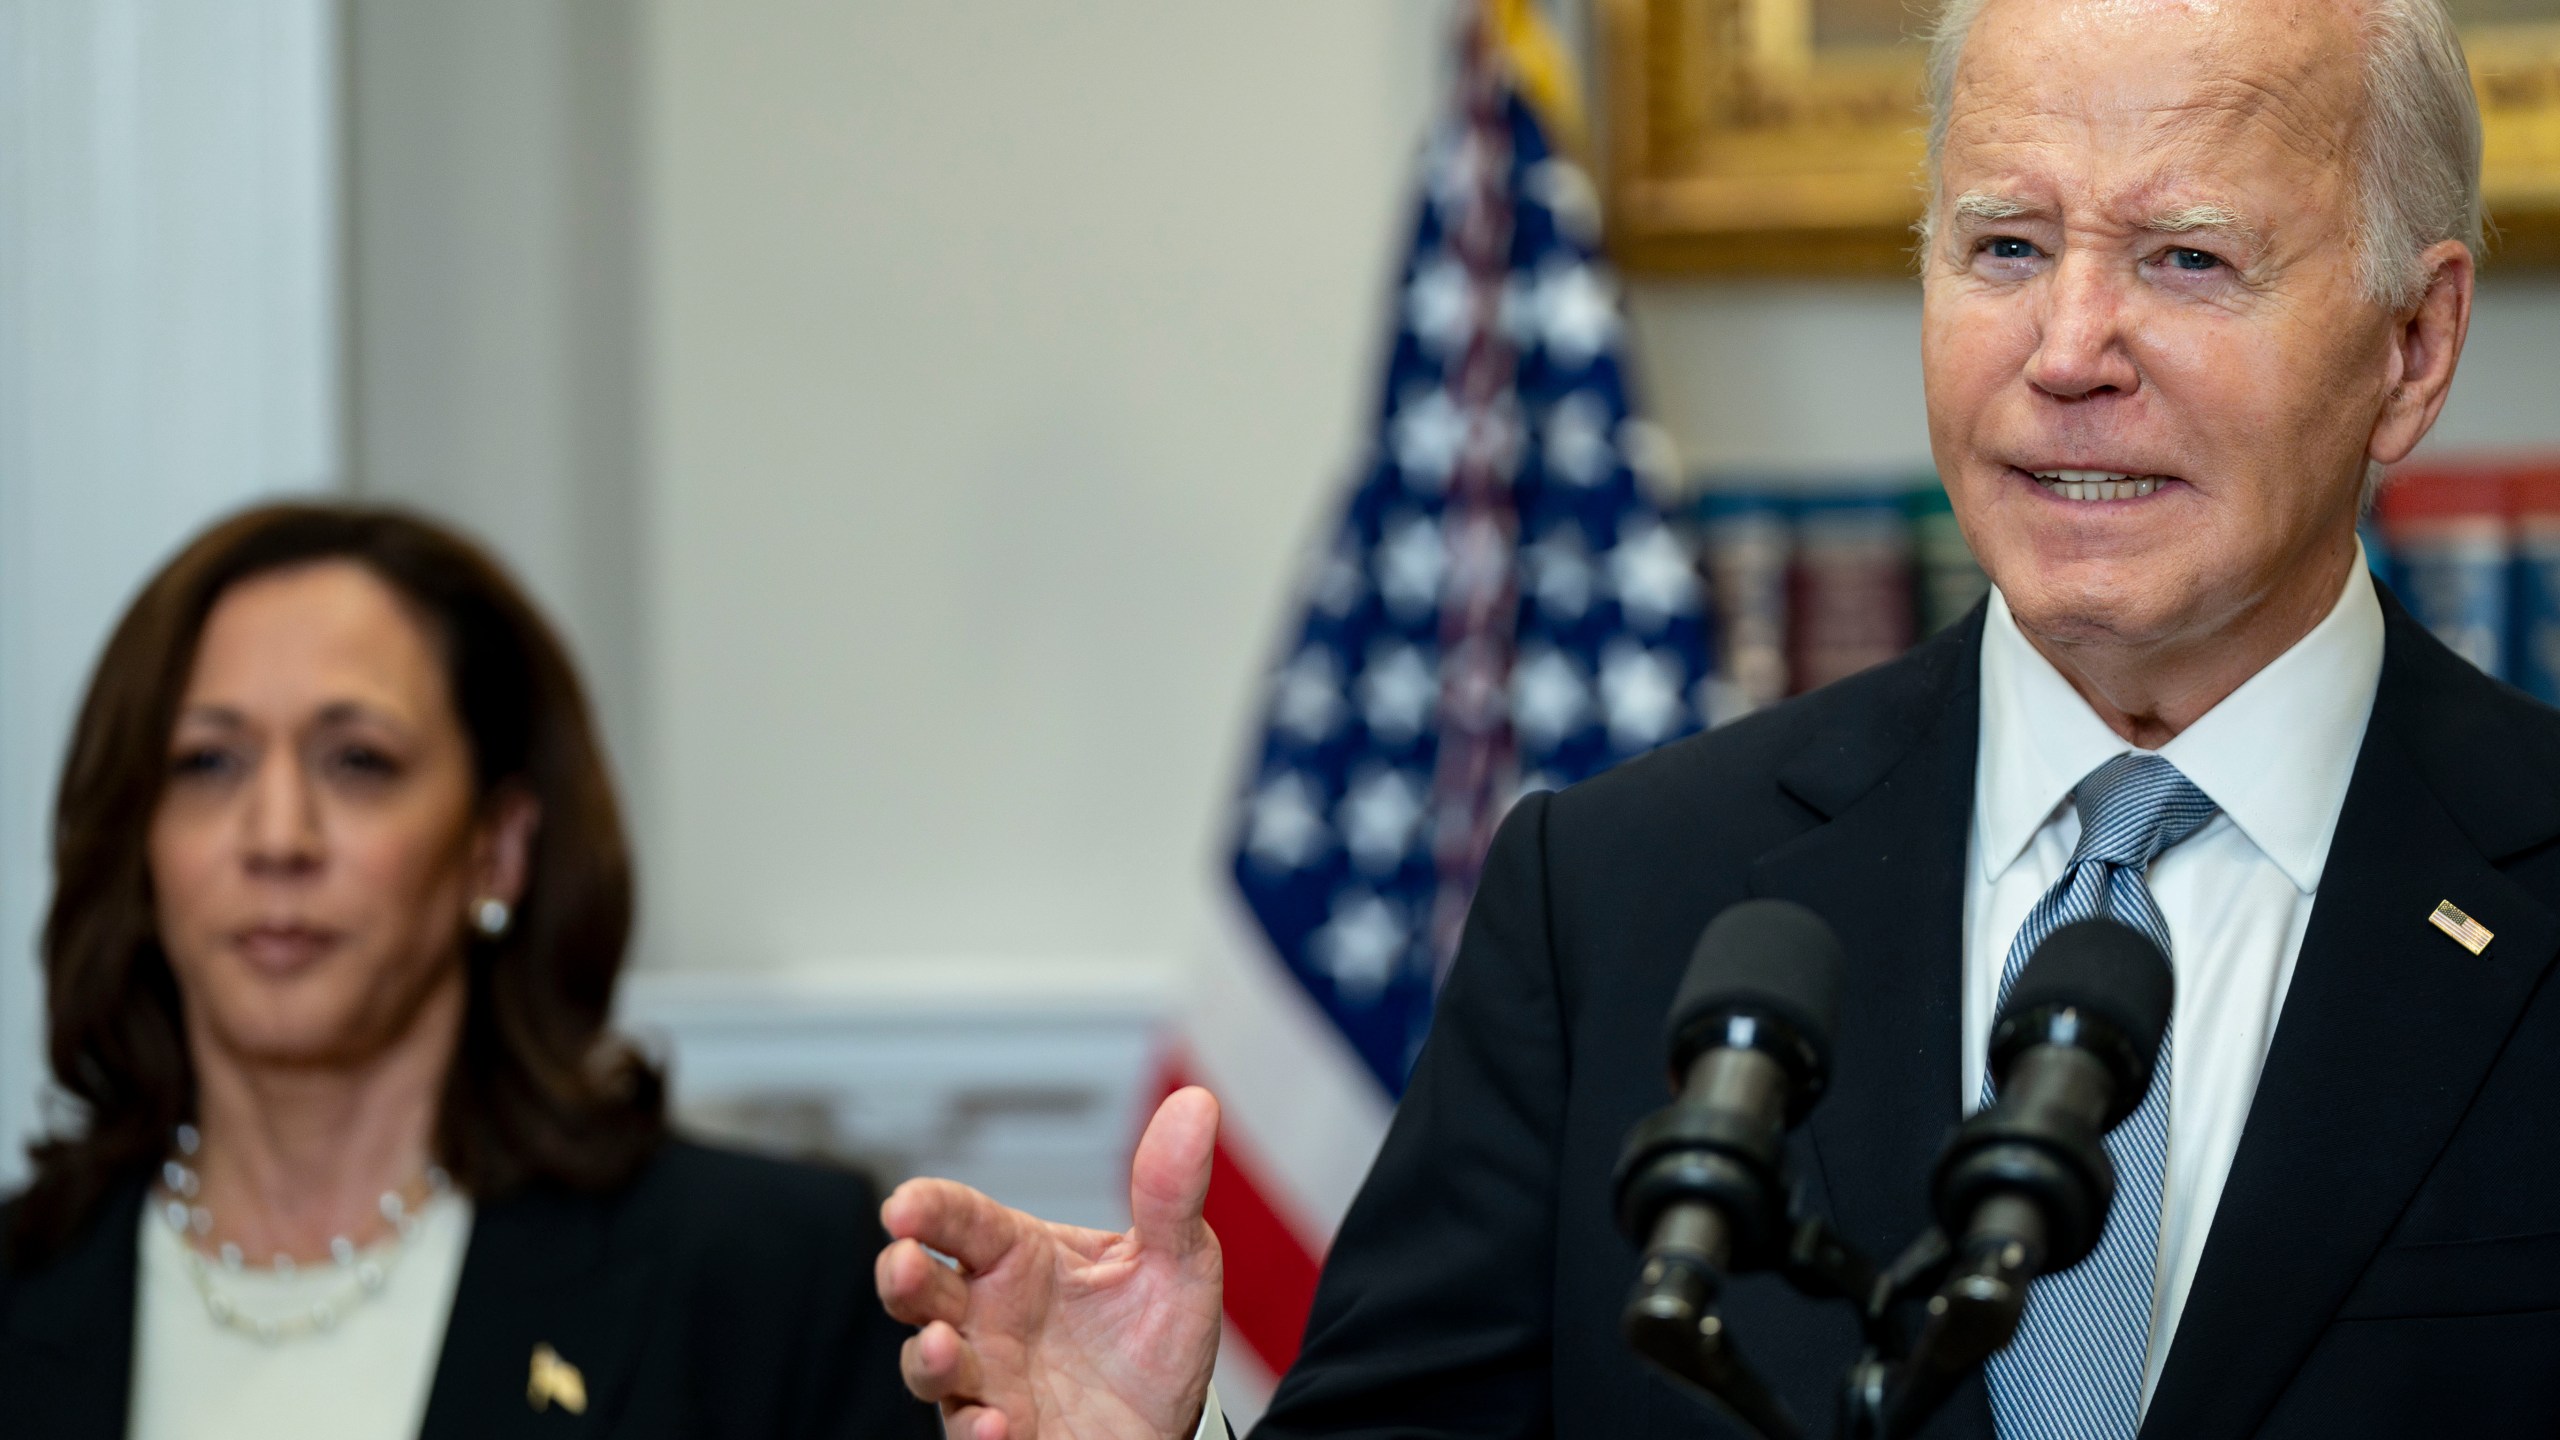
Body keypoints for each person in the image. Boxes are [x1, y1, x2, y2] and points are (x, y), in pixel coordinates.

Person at [878, 0, 2559, 1435]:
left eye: (2186, 257)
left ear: (2413, 349)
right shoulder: (1615, 902)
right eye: (2004, 247)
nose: (2067, 350)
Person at [0, 504, 938, 1440]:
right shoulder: (24, 1284)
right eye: (207, 762)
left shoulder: (767, 1275)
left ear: (497, 849)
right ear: (140, 844)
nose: (277, 836)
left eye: (357, 761)